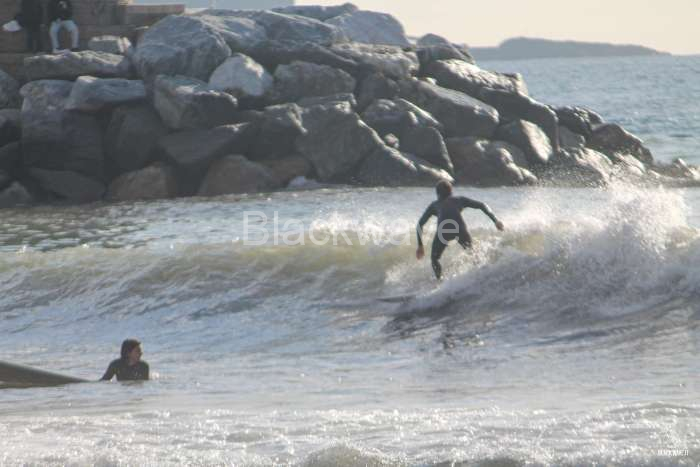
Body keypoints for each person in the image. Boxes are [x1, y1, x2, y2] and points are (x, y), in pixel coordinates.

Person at [416, 180, 504, 280]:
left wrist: (420, 245)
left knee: (434, 259)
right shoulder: (459, 200)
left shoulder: (434, 205)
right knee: (472, 252)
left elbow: (420, 224)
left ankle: (439, 280)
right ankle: (481, 275)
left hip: (443, 232)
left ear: (437, 193)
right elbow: (482, 205)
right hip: (459, 229)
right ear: (451, 191)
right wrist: (495, 220)